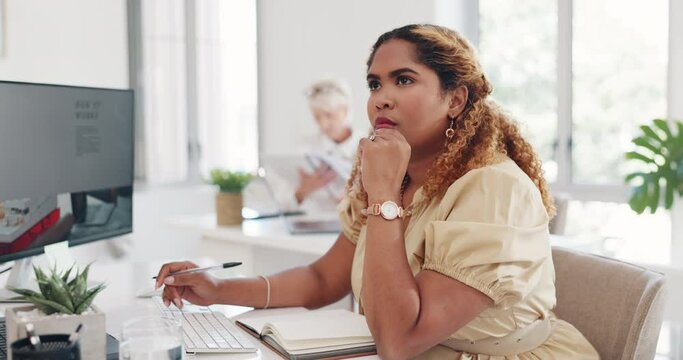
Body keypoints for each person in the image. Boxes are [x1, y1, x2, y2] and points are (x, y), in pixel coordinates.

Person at [156, 24, 599, 359]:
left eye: (403, 80)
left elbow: (399, 340)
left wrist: (384, 198)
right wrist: (219, 287)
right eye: (375, 83)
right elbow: (321, 279)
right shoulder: (397, 179)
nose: (380, 99)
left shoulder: (492, 187)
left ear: (456, 99)